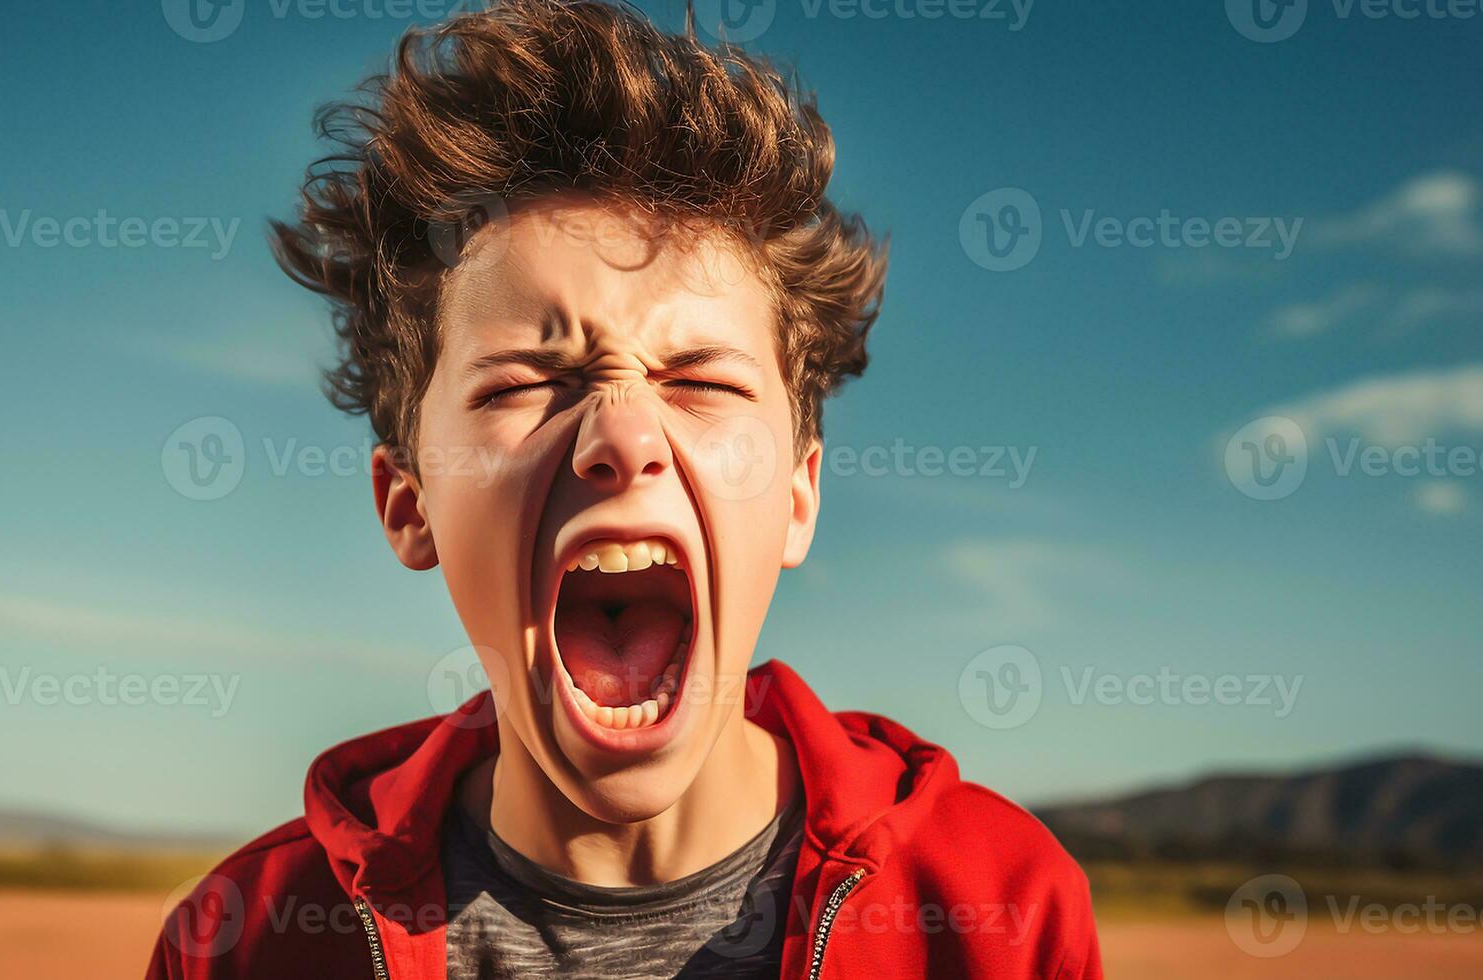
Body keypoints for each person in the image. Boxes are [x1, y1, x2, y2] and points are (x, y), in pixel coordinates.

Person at [148, 1, 1101, 976]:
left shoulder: (1003, 915)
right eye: (524, 382)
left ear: (801, 496)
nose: (623, 434)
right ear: (410, 500)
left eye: (700, 380)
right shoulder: (244, 937)